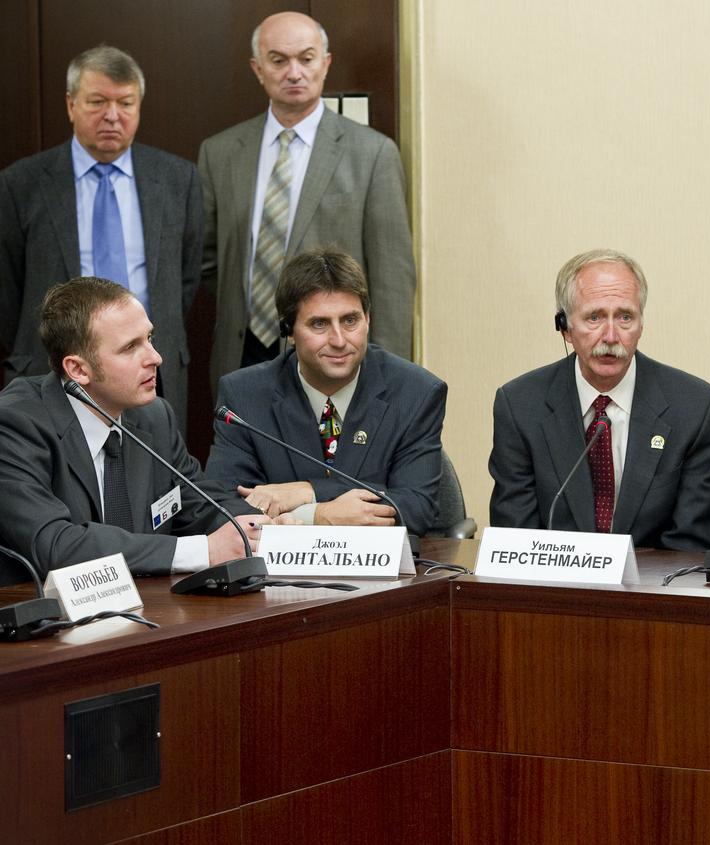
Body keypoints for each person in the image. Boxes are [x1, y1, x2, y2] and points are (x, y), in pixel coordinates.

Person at [198, 11, 415, 389]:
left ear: (326, 63)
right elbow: (210, 262)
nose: (294, 72)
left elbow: (392, 279)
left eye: (306, 58)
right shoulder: (220, 153)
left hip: (334, 355)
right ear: (257, 68)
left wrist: (388, 378)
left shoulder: (373, 153)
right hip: (243, 354)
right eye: (279, 60)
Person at [0, 278, 263, 585]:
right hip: (44, 621)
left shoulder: (154, 416)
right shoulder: (15, 425)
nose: (155, 358)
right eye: (130, 347)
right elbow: (57, 546)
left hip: (148, 613)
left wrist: (257, 528)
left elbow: (199, 501)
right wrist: (203, 550)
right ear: (78, 370)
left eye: (149, 338)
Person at [0, 46, 201, 428]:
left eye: (125, 103)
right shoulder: (21, 184)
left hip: (151, 371)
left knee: (153, 481)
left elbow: (185, 280)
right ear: (71, 104)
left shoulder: (178, 179)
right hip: (52, 368)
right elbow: (7, 291)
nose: (112, 116)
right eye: (97, 102)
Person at [488, 248, 710, 550]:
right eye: (594, 318)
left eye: (625, 317)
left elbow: (692, 547)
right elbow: (516, 540)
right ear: (565, 328)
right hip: (555, 591)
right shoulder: (520, 407)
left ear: (641, 325)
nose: (611, 336)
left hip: (652, 590)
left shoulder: (695, 409)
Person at [206, 247, 446, 535]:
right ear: (289, 330)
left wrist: (307, 492)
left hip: (386, 573)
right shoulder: (244, 395)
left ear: (367, 318)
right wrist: (316, 515)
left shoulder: (415, 392)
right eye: (319, 324)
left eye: (350, 320)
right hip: (278, 574)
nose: (339, 340)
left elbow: (416, 507)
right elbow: (220, 506)